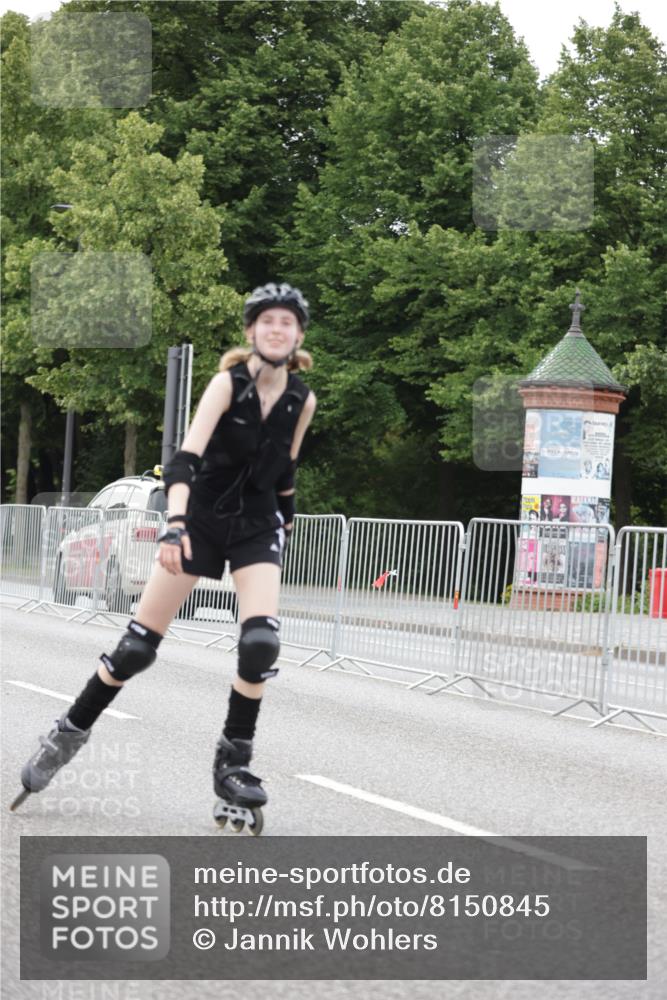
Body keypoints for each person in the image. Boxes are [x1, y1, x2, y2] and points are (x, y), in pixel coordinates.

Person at [12, 282, 317, 835]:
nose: (277, 329)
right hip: (200, 521)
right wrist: (175, 526)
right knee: (135, 649)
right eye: (267, 320)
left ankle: (233, 765)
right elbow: (183, 462)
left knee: (260, 644)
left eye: (287, 322)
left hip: (256, 526)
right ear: (251, 330)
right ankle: (67, 733)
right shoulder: (227, 384)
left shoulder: (303, 399)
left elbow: (286, 474)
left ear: (299, 334)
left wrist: (287, 522)